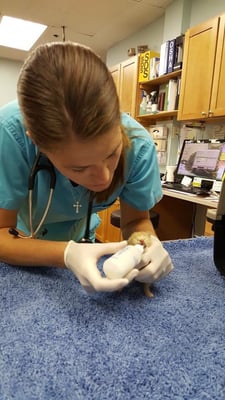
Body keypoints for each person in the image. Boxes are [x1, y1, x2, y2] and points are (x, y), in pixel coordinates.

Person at [0, 41, 173, 293]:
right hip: (22, 248)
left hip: (85, 242)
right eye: (79, 169)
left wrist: (147, 243)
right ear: (36, 143)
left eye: (112, 153)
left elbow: (136, 220)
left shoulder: (140, 145)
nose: (103, 178)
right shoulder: (9, 136)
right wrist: (67, 254)